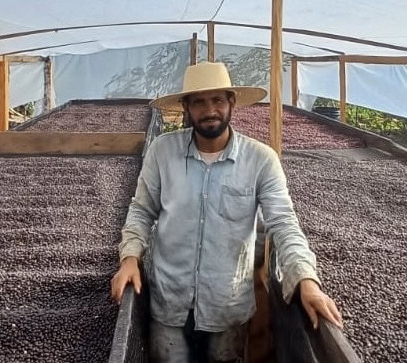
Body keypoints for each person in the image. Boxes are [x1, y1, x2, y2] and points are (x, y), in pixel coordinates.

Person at [111, 62, 343, 362]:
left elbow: (283, 224)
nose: (210, 110)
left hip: (227, 307)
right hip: (170, 301)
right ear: (186, 107)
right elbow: (142, 211)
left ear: (231, 102)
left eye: (218, 100)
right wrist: (130, 258)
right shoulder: (162, 152)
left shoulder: (260, 160)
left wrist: (306, 280)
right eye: (199, 102)